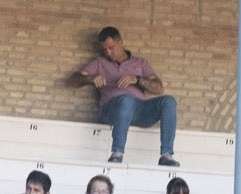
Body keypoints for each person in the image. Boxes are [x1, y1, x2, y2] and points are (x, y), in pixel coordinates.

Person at [68, 25, 179, 167]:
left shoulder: (140, 63)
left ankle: (166, 155)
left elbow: (159, 88)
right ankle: (117, 153)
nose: (108, 53)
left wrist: (137, 79)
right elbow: (73, 81)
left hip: (139, 110)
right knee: (126, 100)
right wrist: (90, 78)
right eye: (104, 50)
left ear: (120, 42)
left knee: (169, 101)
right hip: (111, 110)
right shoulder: (99, 63)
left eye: (111, 48)